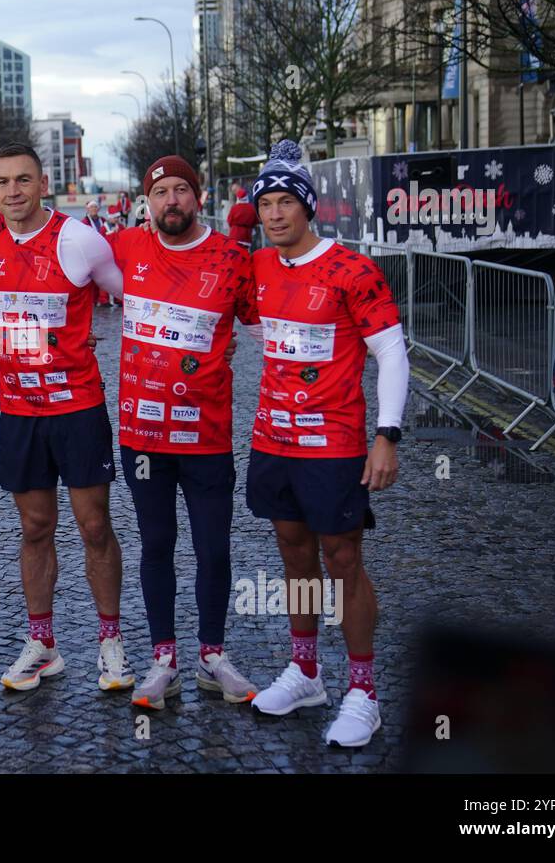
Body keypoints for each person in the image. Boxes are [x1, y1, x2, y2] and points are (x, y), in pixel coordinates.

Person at [244, 140, 408, 747]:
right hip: (273, 437)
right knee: (293, 553)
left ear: (308, 208)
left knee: (343, 561)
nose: (276, 214)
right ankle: (306, 670)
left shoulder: (351, 268)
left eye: (287, 202)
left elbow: (391, 350)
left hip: (335, 441)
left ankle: (363, 689)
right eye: (267, 204)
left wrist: (386, 436)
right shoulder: (259, 267)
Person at [0, 143, 134, 693]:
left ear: (44, 183)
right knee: (34, 527)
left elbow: (135, 297)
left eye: (24, 180)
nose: (14, 191)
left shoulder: (80, 240)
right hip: (19, 412)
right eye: (3, 181)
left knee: (94, 526)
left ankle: (111, 643)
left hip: (79, 408)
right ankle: (43, 645)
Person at [116, 156, 259, 711]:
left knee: (213, 549)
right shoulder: (124, 248)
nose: (171, 200)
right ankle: (163, 659)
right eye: (160, 193)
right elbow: (66, 276)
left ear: (198, 198)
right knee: (156, 545)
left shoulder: (231, 258)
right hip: (143, 434)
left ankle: (212, 655)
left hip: (207, 435)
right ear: (147, 202)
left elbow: (266, 322)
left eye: (181, 190)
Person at [226, 185, 258, 250]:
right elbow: (256, 221)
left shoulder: (235, 208)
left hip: (235, 234)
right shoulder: (252, 208)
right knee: (245, 253)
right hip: (247, 235)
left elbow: (229, 220)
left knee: (235, 253)